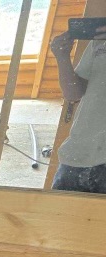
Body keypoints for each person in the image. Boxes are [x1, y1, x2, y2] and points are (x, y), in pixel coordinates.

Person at [50, 19, 106, 193]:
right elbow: (73, 94)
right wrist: (62, 57)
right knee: (55, 218)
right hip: (78, 154)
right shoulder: (99, 42)